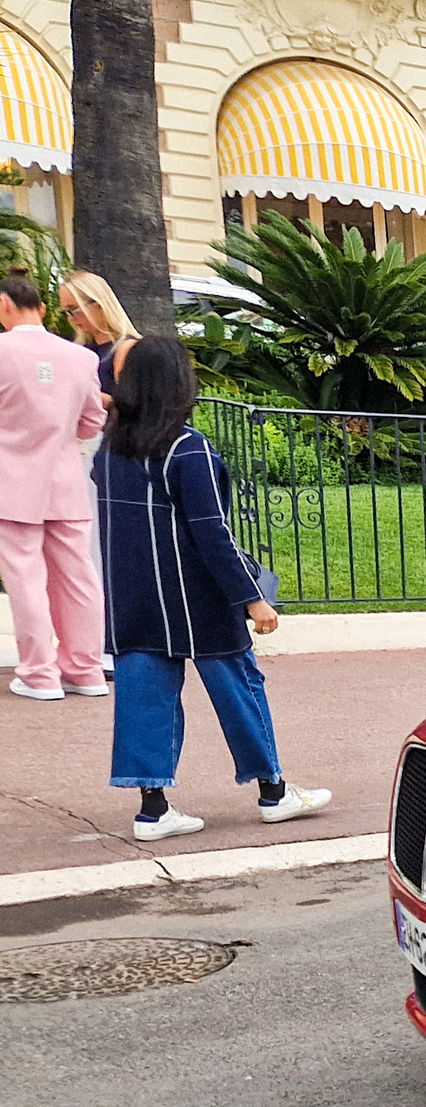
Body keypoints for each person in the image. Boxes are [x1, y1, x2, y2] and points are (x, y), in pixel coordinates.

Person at [94, 338, 330, 840]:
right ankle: (273, 790)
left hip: (135, 597)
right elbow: (212, 533)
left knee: (143, 697)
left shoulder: (110, 452)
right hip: (196, 596)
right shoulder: (188, 448)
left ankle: (153, 808)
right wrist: (253, 596)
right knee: (238, 688)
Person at [0, 274, 109, 701]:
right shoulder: (79, 358)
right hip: (65, 481)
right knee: (77, 576)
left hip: (11, 481)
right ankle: (86, 669)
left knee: (26, 578)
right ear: (42, 309)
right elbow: (91, 422)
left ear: (5, 306)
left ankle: (40, 673)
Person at [58, 270, 139, 391]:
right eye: (66, 312)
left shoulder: (128, 349)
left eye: (74, 310)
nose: (70, 318)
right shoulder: (81, 348)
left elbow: (136, 403)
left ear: (99, 305)